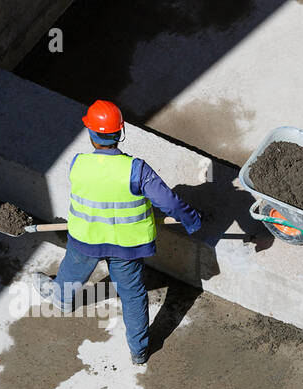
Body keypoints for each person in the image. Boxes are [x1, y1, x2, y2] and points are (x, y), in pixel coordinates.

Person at [28, 99, 201, 364]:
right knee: (132, 296)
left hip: (85, 239)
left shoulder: (78, 163)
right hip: (126, 247)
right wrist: (191, 220)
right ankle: (139, 350)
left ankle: (61, 299)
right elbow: (167, 202)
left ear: (90, 133)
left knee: (71, 272)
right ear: (120, 132)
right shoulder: (137, 170)